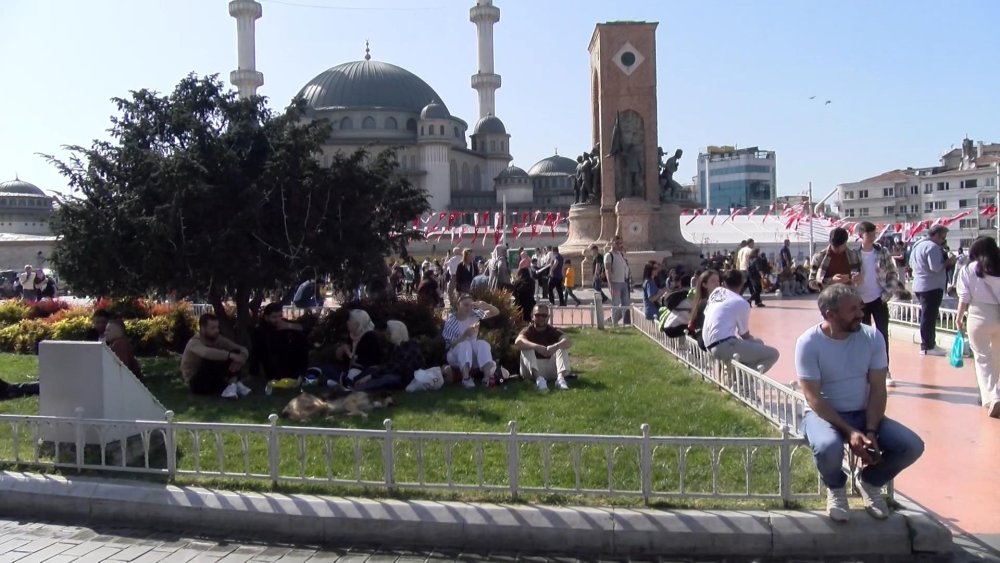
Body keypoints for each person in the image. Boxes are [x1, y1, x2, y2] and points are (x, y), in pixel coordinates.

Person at [796, 284, 924, 522]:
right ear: (830, 315)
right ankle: (836, 488)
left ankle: (870, 482)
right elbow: (813, 398)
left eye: (860, 307)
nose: (860, 314)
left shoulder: (872, 337)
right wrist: (850, 431)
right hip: (823, 415)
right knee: (827, 447)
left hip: (863, 413)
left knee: (912, 446)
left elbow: (878, 388)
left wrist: (871, 430)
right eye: (852, 310)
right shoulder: (808, 342)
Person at [954, 236, 1000, 417]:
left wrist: (959, 318)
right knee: (997, 357)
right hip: (998, 314)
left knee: (982, 358)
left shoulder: (969, 269)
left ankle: (992, 396)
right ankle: (994, 392)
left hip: (978, 315)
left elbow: (964, 297)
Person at [701, 270, 780, 373]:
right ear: (742, 284)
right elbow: (744, 334)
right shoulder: (741, 302)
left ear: (723, 283)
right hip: (723, 346)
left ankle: (735, 375)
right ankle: (742, 380)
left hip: (707, 345)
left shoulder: (716, 293)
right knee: (773, 354)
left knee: (758, 344)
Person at [855, 221, 900, 387]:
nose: (873, 237)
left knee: (881, 336)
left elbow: (893, 273)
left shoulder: (882, 252)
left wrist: (887, 293)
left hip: (879, 299)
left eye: (874, 233)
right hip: (860, 301)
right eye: (869, 234)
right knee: (863, 337)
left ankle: (885, 370)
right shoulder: (853, 254)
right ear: (861, 235)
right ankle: (866, 371)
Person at [909, 225, 956, 356]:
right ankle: (927, 346)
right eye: (943, 237)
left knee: (928, 315)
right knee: (929, 317)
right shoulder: (932, 247)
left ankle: (930, 343)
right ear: (936, 235)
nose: (943, 240)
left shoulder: (918, 245)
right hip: (931, 286)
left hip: (920, 284)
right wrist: (949, 262)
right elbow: (936, 267)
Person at [181, 314, 251, 399]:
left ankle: (233, 383)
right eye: (213, 328)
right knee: (214, 356)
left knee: (236, 352)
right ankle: (233, 384)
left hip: (212, 378)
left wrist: (243, 356)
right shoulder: (194, 342)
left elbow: (240, 348)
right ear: (203, 329)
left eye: (217, 327)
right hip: (196, 382)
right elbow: (206, 353)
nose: (217, 330)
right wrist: (231, 356)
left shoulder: (217, 339)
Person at [442, 295, 500, 388]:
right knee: (465, 344)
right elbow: (450, 345)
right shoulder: (451, 321)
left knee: (483, 344)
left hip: (472, 353)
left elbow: (496, 312)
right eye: (465, 305)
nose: (468, 308)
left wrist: (487, 305)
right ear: (458, 305)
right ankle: (466, 379)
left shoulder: (475, 314)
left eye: (471, 305)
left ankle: (486, 378)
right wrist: (464, 335)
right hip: (456, 354)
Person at [352, 320, 425, 392]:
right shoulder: (394, 347)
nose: (385, 334)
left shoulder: (409, 346)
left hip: (406, 378)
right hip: (395, 373)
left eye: (388, 332)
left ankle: (359, 389)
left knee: (388, 378)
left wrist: (371, 376)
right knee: (373, 369)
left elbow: (395, 367)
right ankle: (352, 383)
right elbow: (387, 365)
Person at [515, 303, 572, 391]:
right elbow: (518, 342)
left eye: (544, 315)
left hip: (551, 369)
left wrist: (555, 346)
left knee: (561, 347)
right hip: (532, 371)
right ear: (532, 317)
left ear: (548, 317)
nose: (541, 318)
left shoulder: (552, 330)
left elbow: (567, 340)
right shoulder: (528, 330)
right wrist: (537, 347)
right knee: (526, 349)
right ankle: (539, 381)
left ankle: (560, 380)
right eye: (537, 315)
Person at [249, 302, 309, 381]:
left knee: (300, 341)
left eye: (280, 316)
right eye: (274, 317)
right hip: (273, 365)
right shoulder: (260, 331)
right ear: (266, 317)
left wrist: (288, 326)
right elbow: (256, 353)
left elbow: (304, 328)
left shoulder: (284, 323)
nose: (278, 320)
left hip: (289, 360)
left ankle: (302, 373)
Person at [335, 309, 383, 388]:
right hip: (352, 369)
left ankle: (347, 383)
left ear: (357, 324)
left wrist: (348, 352)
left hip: (366, 371)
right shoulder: (352, 335)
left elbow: (365, 361)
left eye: (350, 320)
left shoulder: (370, 337)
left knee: (352, 373)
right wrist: (340, 353)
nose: (347, 322)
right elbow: (346, 361)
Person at [809, 227, 862, 292]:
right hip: (828, 295)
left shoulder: (853, 256)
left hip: (848, 294)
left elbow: (859, 277)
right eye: (834, 246)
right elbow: (811, 283)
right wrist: (831, 281)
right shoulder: (819, 257)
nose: (837, 249)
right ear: (830, 242)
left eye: (840, 246)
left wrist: (852, 278)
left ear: (845, 242)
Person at [687, 269, 721, 348]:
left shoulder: (713, 300)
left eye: (718, 281)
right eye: (713, 281)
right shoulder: (705, 303)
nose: (717, 284)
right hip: (706, 338)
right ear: (704, 285)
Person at [604, 236, 631, 325]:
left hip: (624, 282)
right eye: (617, 243)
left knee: (626, 304)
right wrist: (610, 285)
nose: (620, 245)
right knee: (615, 304)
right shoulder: (609, 255)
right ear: (612, 244)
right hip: (615, 283)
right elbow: (608, 271)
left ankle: (626, 323)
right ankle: (614, 324)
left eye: (621, 243)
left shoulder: (621, 254)